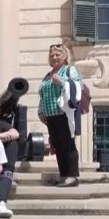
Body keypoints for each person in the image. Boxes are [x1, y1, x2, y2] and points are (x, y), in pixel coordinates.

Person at [38, 43, 81, 187]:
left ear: (64, 56)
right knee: (57, 145)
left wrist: (62, 82)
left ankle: (72, 176)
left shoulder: (69, 70)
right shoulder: (47, 75)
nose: (54, 57)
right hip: (50, 116)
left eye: (58, 55)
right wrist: (41, 112)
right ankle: (64, 175)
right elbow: (42, 95)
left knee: (68, 144)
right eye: (52, 55)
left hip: (64, 114)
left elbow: (78, 86)